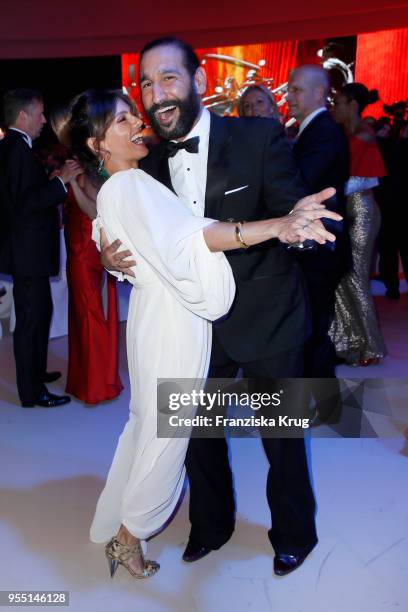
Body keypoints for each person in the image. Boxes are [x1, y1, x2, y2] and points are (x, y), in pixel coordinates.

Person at [63, 89, 339, 579]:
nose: (142, 116)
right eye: (127, 113)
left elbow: (133, 232)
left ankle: (293, 537)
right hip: (180, 322)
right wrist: (112, 257)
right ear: (97, 142)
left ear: (196, 80)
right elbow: (180, 237)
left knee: (278, 436)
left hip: (260, 317)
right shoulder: (139, 175)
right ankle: (200, 528)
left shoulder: (254, 137)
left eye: (141, 107)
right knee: (183, 437)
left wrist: (287, 223)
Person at [0, 89, 81, 408]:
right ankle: (31, 392)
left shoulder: (13, 147)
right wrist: (61, 183)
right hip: (27, 253)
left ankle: (34, 374)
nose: (44, 120)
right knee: (31, 320)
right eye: (40, 114)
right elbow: (25, 204)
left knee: (38, 314)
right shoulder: (17, 149)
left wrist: (52, 181)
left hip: (25, 252)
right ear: (23, 116)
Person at [51, 111, 123, 404]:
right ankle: (84, 381)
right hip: (77, 253)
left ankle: (96, 385)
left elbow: (95, 212)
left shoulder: (90, 172)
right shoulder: (75, 168)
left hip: (89, 254)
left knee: (92, 316)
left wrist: (71, 184)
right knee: (83, 317)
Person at [287, 65, 349, 378]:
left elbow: (302, 183)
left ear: (319, 93)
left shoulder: (323, 132)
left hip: (319, 248)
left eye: (295, 90)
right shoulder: (313, 130)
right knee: (311, 326)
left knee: (313, 329)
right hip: (315, 245)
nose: (288, 96)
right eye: (289, 89)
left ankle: (323, 403)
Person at [330, 83, 387, 366]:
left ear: (352, 104)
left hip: (361, 208)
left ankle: (370, 347)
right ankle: (350, 343)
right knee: (342, 276)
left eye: (338, 102)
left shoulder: (363, 134)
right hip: (345, 209)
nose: (334, 107)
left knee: (355, 276)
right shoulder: (345, 133)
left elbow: (365, 179)